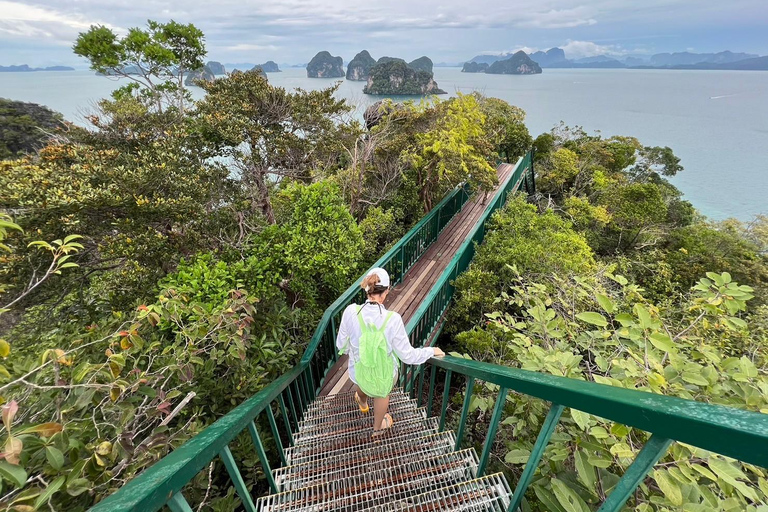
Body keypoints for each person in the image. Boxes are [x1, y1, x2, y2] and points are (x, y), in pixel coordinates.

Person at [336, 267, 445, 435]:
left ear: (367, 289)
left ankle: (362, 401)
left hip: (359, 370)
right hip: (382, 374)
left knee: (363, 375)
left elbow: (341, 344)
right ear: (386, 292)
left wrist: (359, 351)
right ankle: (377, 430)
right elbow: (408, 356)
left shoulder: (351, 312)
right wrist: (431, 351)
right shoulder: (392, 319)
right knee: (382, 390)